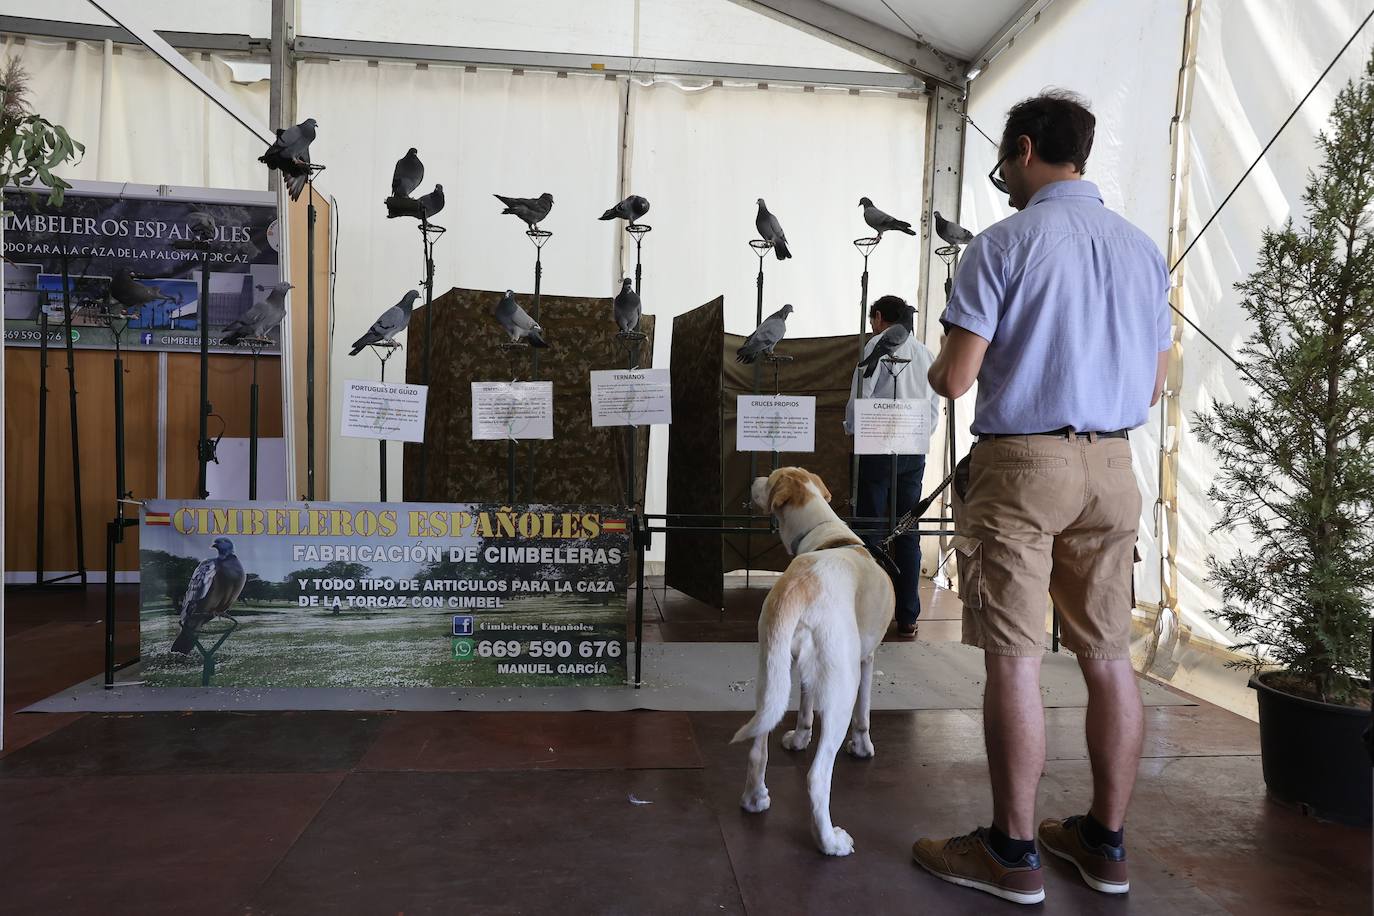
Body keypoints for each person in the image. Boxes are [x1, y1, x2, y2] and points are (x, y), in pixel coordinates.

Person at [911, 91, 1170, 905]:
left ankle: (1013, 851)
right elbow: (1154, 384)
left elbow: (954, 379)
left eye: (1004, 161)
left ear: (1023, 150)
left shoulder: (1001, 244)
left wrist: (937, 361)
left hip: (1023, 466)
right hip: (1114, 465)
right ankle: (1104, 844)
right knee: (1108, 658)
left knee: (1015, 659)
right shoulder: (1141, 250)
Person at [843, 294, 941, 638]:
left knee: (870, 528)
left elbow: (861, 393)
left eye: (873, 320)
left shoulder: (877, 345)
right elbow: (933, 407)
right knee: (908, 529)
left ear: (879, 317)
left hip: (877, 447)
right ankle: (908, 615)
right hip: (913, 450)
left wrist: (852, 428)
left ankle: (868, 612)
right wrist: (918, 435)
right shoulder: (925, 353)